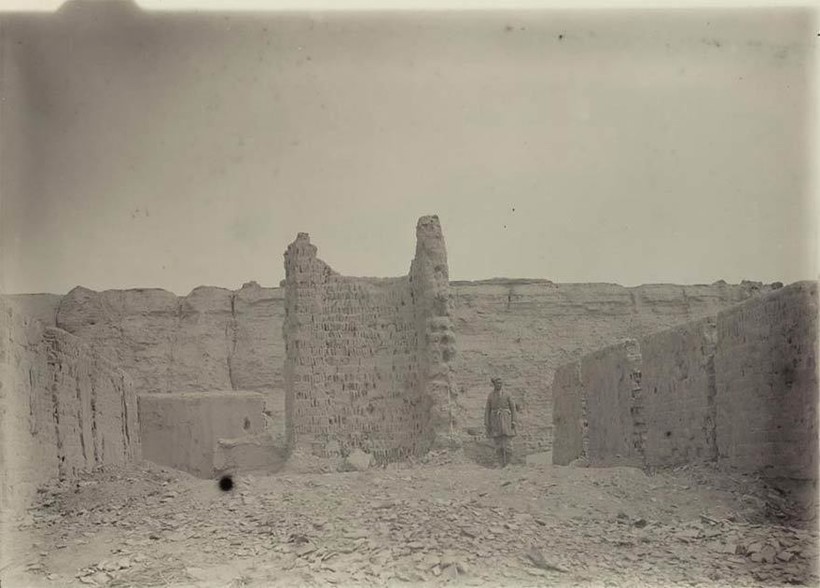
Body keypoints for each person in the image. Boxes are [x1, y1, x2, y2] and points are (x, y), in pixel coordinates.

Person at [485, 377, 517, 467]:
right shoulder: (490, 396)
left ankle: (509, 463)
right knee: (498, 443)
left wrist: (514, 420)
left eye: (500, 383)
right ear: (494, 384)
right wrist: (487, 423)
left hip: (506, 420)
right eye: (497, 383)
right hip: (495, 420)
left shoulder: (507, 394)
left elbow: (513, 408)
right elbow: (487, 410)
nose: (499, 385)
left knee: (508, 443)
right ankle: (499, 463)